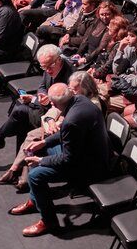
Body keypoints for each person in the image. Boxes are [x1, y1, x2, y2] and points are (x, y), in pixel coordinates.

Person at [9, 82, 111, 236]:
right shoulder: (80, 101)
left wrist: (40, 160)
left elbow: (67, 159)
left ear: (54, 103)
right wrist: (43, 142)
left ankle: (49, 222)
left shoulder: (72, 120)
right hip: (84, 153)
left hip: (89, 166)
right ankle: (35, 200)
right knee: (40, 149)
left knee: (35, 175)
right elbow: (65, 133)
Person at [0, 44, 74, 151]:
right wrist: (40, 96)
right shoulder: (50, 65)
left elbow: (65, 104)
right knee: (19, 106)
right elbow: (42, 87)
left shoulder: (71, 76)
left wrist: (36, 99)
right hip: (44, 106)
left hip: (55, 116)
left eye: (49, 66)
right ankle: (3, 144)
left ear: (59, 59)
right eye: (43, 67)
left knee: (20, 112)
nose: (47, 70)